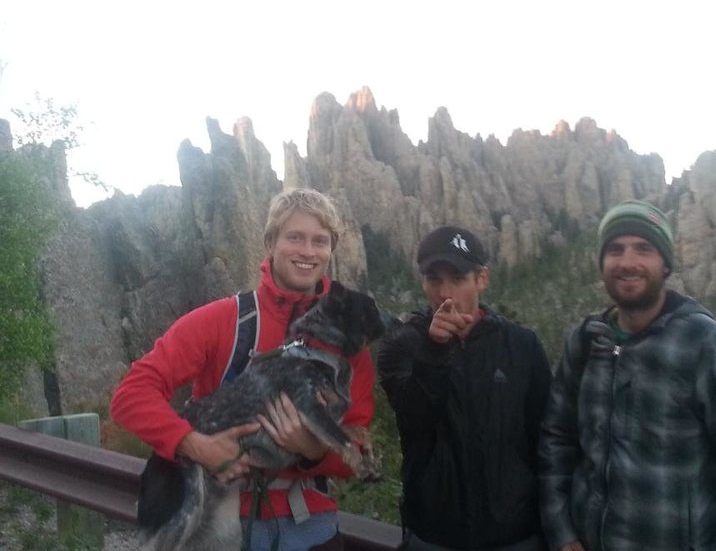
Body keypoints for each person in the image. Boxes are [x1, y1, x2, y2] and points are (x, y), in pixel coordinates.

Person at [110, 188, 375, 551]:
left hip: (310, 528)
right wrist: (196, 446)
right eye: (294, 237)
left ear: (331, 250)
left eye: (320, 241)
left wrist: (313, 449)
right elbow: (131, 395)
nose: (308, 251)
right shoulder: (223, 320)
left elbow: (357, 448)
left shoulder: (347, 344)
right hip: (221, 526)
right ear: (270, 242)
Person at [538, 199, 716, 551]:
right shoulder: (585, 341)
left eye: (644, 249)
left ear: (665, 264)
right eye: (615, 250)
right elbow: (556, 439)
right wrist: (561, 532)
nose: (628, 262)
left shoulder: (709, 346)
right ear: (602, 262)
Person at [377, 225, 552, 550]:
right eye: (434, 279)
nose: (445, 292)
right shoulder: (402, 343)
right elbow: (413, 417)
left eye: (457, 279)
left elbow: (546, 438)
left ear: (481, 279)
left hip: (514, 536)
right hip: (433, 536)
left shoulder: (521, 345)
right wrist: (435, 350)